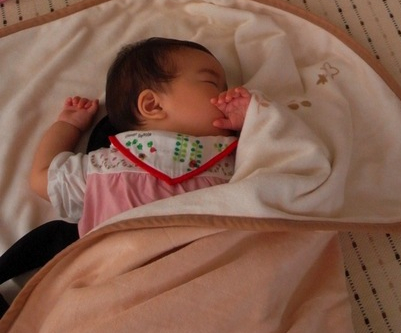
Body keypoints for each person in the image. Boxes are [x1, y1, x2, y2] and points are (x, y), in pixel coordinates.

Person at [29, 37, 252, 237]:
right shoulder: (107, 166)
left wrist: (252, 117)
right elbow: (43, 177)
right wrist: (69, 125)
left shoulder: (238, 156)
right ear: (152, 104)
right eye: (211, 83)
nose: (227, 95)